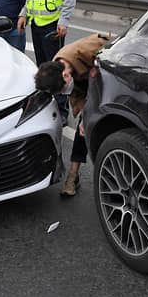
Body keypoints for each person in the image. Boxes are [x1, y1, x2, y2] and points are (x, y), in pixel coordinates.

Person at [35, 33, 112, 197]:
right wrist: (85, 116)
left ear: (65, 76)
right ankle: (73, 175)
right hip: (87, 87)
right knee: (83, 130)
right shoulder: (56, 66)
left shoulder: (89, 49)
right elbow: (76, 93)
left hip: (109, 82)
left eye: (63, 90)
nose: (65, 93)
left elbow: (114, 47)